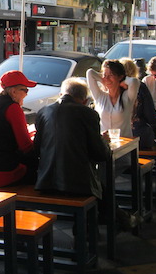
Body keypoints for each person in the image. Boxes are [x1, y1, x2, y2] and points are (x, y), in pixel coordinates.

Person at [35, 78, 136, 230]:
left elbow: (37, 147)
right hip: (77, 183)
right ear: (84, 100)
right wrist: (103, 140)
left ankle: (115, 218)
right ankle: (110, 222)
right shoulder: (88, 114)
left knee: (100, 186)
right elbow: (101, 154)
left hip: (45, 180)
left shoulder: (44, 112)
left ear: (62, 94)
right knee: (101, 185)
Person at [86, 60, 139, 137]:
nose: (107, 78)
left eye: (111, 75)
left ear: (120, 77)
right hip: (105, 143)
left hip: (124, 143)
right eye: (104, 75)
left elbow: (134, 81)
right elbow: (90, 73)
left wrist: (122, 81)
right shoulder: (100, 96)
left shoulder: (127, 97)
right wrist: (104, 80)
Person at [120, 58, 156, 149]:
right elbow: (151, 116)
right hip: (138, 134)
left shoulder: (111, 88)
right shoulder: (140, 86)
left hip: (115, 135)